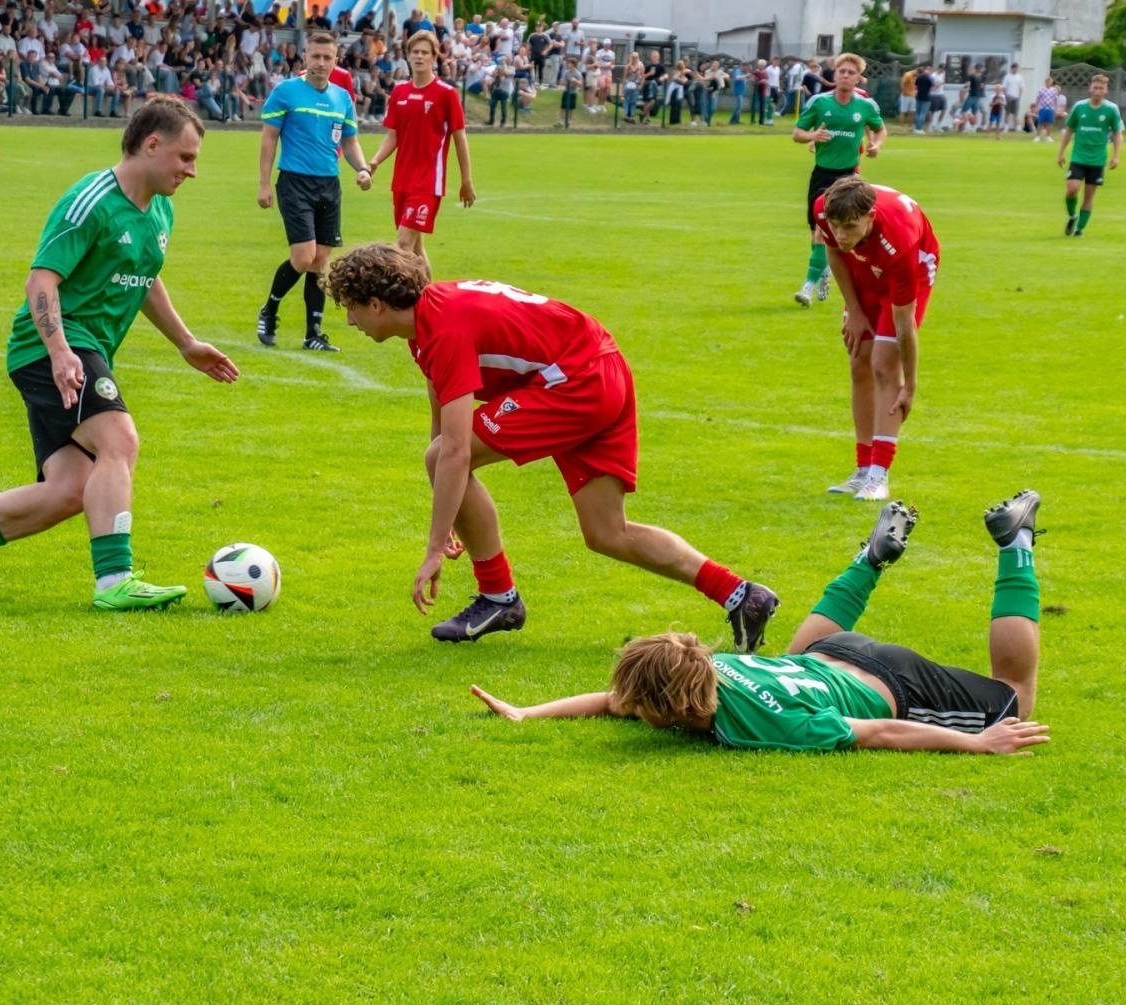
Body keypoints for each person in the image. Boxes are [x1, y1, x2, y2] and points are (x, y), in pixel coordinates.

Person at [323, 244, 781, 651]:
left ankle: (498, 596)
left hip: (575, 382)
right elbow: (441, 403)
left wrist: (433, 549)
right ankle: (741, 594)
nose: (348, 320)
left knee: (443, 456)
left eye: (350, 308)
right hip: (600, 365)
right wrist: (449, 499)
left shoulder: (443, 327)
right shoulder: (430, 314)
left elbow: (455, 452)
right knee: (607, 533)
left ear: (377, 305)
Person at [0, 97, 240, 611]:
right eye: (185, 158)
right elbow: (42, 278)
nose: (191, 171)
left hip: (83, 349)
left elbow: (145, 277)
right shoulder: (91, 199)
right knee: (120, 441)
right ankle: (114, 582)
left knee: (68, 490)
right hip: (50, 346)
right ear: (152, 145)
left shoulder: (160, 208)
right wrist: (59, 350)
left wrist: (186, 342)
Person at [470, 493, 1050, 758]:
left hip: (895, 685)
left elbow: (879, 733)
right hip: (829, 652)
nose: (628, 709)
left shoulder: (761, 728)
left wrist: (978, 743)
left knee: (1015, 699)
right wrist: (528, 711)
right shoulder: (705, 668)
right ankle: (867, 561)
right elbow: (611, 698)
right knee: (799, 653)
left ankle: (1015, 542)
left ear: (670, 707)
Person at [814, 177, 939, 502]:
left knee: (884, 362)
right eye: (837, 226)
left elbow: (904, 323)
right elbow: (834, 250)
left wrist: (909, 384)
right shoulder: (825, 211)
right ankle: (862, 469)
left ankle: (879, 475)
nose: (842, 234)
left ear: (870, 216)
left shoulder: (900, 241)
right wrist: (854, 311)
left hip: (910, 265)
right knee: (859, 360)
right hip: (865, 262)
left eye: (850, 227)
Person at [254, 32, 373, 354]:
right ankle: (269, 310)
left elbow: (349, 141)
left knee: (320, 261)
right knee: (303, 257)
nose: (321, 62)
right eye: (315, 56)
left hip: (328, 184)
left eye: (327, 57)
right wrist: (264, 184)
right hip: (294, 181)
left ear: (336, 61)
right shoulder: (286, 92)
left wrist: (362, 168)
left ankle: (313, 333)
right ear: (305, 57)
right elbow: (269, 140)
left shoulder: (341, 98)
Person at [365, 30, 475, 271]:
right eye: (415, 51)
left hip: (427, 182)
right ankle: (428, 301)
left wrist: (466, 181)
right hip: (402, 180)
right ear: (408, 55)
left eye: (425, 52)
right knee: (415, 249)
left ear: (434, 57)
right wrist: (374, 163)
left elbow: (460, 138)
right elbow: (393, 136)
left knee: (403, 244)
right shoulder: (400, 92)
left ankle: (402, 304)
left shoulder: (446, 94)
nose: (419, 56)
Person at [792, 52, 884, 308]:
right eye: (841, 71)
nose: (845, 75)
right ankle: (824, 271)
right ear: (834, 75)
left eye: (850, 72)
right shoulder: (819, 102)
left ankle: (807, 287)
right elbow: (796, 133)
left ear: (858, 78)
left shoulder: (866, 105)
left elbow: (879, 128)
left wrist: (876, 144)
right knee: (816, 233)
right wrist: (812, 136)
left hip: (849, 177)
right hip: (822, 174)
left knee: (826, 231)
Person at [1058, 73, 1122, 237]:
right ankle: (1073, 216)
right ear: (1090, 88)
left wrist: (1116, 156)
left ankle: (1079, 230)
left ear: (1106, 90)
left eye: (1101, 88)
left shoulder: (1111, 109)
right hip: (1078, 157)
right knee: (1072, 189)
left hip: (1097, 159)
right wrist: (1061, 152)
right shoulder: (1080, 107)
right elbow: (1069, 129)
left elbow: (1117, 133)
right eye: (1095, 87)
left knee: (1089, 195)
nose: (1098, 91)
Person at [1033, 77, 1059, 141]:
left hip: (1050, 108)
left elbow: (1055, 100)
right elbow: (1038, 98)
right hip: (1042, 108)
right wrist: (1036, 107)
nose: (1049, 83)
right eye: (1048, 82)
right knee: (1040, 122)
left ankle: (1048, 136)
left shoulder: (1054, 90)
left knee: (1049, 122)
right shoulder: (1041, 89)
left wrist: (1056, 109)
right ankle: (1037, 136)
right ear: (1046, 82)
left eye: (1050, 82)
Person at [1001, 62, 1023, 133]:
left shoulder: (1020, 77)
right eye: (1014, 68)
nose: (1015, 69)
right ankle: (1006, 127)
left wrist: (1019, 96)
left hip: (1016, 98)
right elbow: (1004, 87)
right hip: (1009, 97)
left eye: (1016, 68)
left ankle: (1018, 128)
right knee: (1007, 113)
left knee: (1016, 113)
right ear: (1011, 68)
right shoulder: (1007, 77)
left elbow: (1021, 88)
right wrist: (1006, 95)